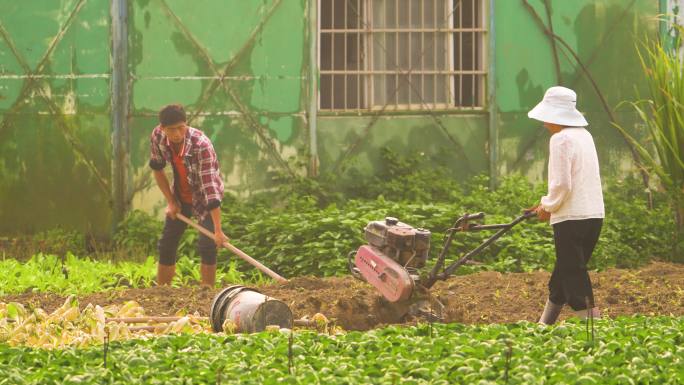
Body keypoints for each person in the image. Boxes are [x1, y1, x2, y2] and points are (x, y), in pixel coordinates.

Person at [527, 86, 605, 325]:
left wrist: (547, 205)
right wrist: (547, 204)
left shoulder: (560, 139)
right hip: (593, 215)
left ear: (555, 115)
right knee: (564, 272)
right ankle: (543, 326)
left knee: (573, 274)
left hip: (571, 218)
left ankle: (597, 330)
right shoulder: (584, 135)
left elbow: (562, 184)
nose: (543, 123)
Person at [148, 104, 228, 287]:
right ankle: (162, 292)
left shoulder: (201, 145)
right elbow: (157, 168)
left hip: (204, 198)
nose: (177, 133)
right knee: (167, 243)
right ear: (162, 128)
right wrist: (171, 201)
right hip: (180, 196)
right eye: (171, 129)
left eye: (181, 127)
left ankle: (207, 294)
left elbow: (210, 189)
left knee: (207, 245)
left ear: (187, 124)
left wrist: (217, 230)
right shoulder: (158, 136)